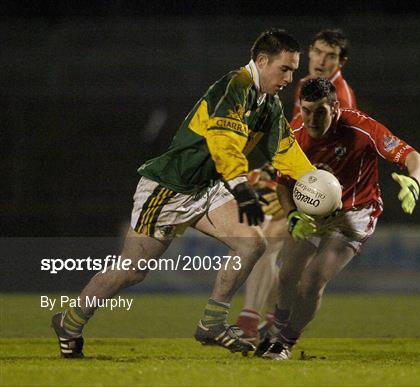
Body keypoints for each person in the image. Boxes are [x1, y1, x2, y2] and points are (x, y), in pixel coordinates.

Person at [50, 29, 316, 358]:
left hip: (205, 190)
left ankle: (212, 323)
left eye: (293, 70)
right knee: (132, 270)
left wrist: (314, 181)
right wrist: (242, 188)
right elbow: (223, 143)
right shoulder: (234, 88)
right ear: (261, 61)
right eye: (285, 69)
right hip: (169, 189)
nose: (290, 78)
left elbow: (285, 150)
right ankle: (70, 321)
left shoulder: (269, 104)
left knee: (253, 242)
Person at [258, 77, 420, 360]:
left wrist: (414, 182)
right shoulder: (294, 134)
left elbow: (415, 158)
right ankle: (276, 329)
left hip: (355, 212)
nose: (312, 119)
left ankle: (285, 342)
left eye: (320, 111)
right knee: (287, 275)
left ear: (335, 107)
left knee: (312, 279)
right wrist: (291, 216)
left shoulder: (361, 127)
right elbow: (283, 184)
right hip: (314, 211)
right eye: (306, 110)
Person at [236, 29, 358, 341]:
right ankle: (270, 322)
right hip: (306, 180)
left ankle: (255, 324)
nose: (321, 59)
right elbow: (294, 140)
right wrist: (271, 168)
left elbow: (326, 153)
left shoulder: (337, 97)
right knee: (279, 251)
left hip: (322, 187)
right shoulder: (306, 86)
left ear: (341, 61)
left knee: (268, 243)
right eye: (317, 51)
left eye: (330, 55)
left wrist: (289, 180)